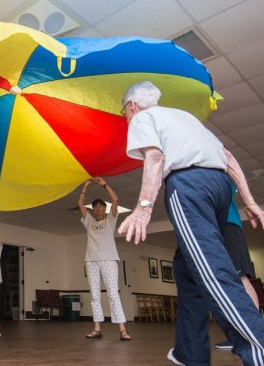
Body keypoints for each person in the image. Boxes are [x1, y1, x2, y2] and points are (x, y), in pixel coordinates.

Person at [118, 81, 264, 366]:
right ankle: (190, 353)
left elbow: (156, 157)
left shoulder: (143, 117)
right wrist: (250, 201)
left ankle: (257, 347)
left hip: (189, 185)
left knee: (213, 271)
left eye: (124, 111)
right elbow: (230, 159)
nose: (125, 116)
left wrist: (144, 207)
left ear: (132, 105)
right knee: (187, 267)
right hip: (219, 186)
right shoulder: (186, 118)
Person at [78, 177, 131, 341]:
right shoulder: (89, 222)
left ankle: (122, 329)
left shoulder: (111, 220)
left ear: (105, 209)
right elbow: (80, 204)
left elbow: (115, 199)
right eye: (96, 207)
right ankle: (97, 328)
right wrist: (86, 186)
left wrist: (104, 185)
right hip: (91, 261)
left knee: (113, 294)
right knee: (95, 296)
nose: (98, 209)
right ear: (93, 210)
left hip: (109, 260)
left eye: (101, 206)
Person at [215, 181, 259, 350]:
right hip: (217, 226)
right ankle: (242, 334)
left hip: (229, 225)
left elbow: (229, 186)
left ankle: (254, 333)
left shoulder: (219, 164)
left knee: (240, 278)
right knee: (228, 281)